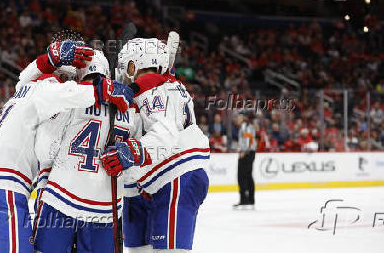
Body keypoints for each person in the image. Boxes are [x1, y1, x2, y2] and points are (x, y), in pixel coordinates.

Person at [0, 40, 127, 253]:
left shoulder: (26, 87)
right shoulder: (48, 88)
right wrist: (100, 89)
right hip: (2, 181)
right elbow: (63, 94)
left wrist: (45, 60)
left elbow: (24, 77)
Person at [100, 38, 211, 252]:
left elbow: (164, 133)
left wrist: (131, 151)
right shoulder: (158, 86)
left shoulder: (157, 90)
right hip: (150, 180)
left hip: (176, 175)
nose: (122, 71)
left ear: (135, 65)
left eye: (126, 65)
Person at [31, 50, 137, 253]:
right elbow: (135, 160)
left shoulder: (69, 99)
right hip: (105, 207)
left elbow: (44, 152)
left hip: (62, 198)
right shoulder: (126, 108)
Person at [233, 112, 257, 210]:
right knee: (248, 176)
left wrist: (244, 151)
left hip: (246, 153)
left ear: (242, 118)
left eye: (238, 117)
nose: (236, 120)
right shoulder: (248, 125)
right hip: (250, 153)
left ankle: (244, 200)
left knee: (242, 176)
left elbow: (248, 139)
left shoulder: (245, 126)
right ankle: (250, 200)